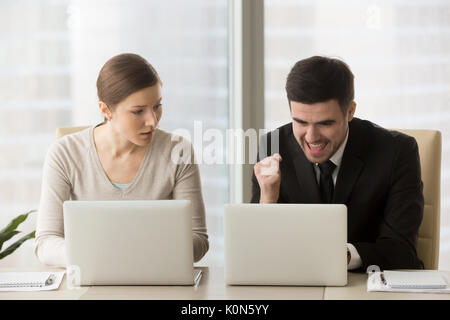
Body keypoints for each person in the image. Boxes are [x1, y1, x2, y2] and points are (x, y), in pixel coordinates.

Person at [35, 53, 209, 267]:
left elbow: (199, 240)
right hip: (91, 279)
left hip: (156, 281)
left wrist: (135, 252)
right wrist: (96, 256)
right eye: (138, 111)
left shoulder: (179, 151)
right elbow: (45, 243)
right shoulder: (64, 153)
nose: (152, 121)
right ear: (106, 110)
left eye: (157, 106)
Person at [252, 56, 424, 272]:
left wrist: (341, 256)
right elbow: (259, 254)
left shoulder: (397, 152)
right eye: (301, 122)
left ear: (350, 111)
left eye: (325, 123)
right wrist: (267, 198)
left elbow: (402, 252)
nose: (312, 137)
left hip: (366, 287)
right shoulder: (272, 146)